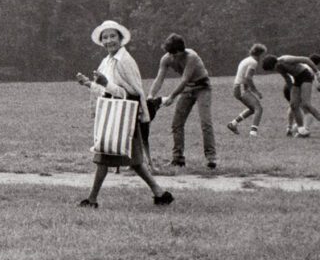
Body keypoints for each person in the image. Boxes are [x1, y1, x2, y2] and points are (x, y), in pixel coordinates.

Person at [74, 20, 173, 208]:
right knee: (132, 159)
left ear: (120, 39)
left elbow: (131, 93)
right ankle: (160, 193)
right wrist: (88, 83)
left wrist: (105, 84)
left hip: (123, 115)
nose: (109, 40)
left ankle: (92, 199)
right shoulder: (106, 62)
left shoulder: (125, 61)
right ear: (101, 41)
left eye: (112, 36)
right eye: (105, 37)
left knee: (105, 155)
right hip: (112, 114)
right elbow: (106, 90)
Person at [147, 33, 216, 168]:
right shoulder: (166, 58)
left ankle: (211, 158)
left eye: (175, 54)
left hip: (203, 87)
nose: (172, 57)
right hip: (188, 89)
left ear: (182, 51)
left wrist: (172, 96)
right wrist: (150, 95)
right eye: (170, 53)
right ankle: (178, 159)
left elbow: (184, 80)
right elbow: (159, 78)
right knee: (177, 123)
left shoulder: (191, 57)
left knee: (205, 122)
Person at [260, 54, 320, 138]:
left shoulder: (285, 59)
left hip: (305, 76)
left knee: (306, 104)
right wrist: (292, 91)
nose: (274, 70)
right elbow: (287, 78)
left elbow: (306, 59)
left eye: (272, 68)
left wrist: (317, 73)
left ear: (274, 64)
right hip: (296, 79)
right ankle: (303, 131)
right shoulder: (278, 67)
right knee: (293, 105)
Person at [227, 43, 266, 136]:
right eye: (263, 55)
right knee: (258, 108)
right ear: (260, 54)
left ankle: (233, 124)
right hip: (241, 88)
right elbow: (248, 77)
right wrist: (256, 91)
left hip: (237, 87)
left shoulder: (247, 60)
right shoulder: (253, 62)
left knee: (252, 108)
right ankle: (253, 133)